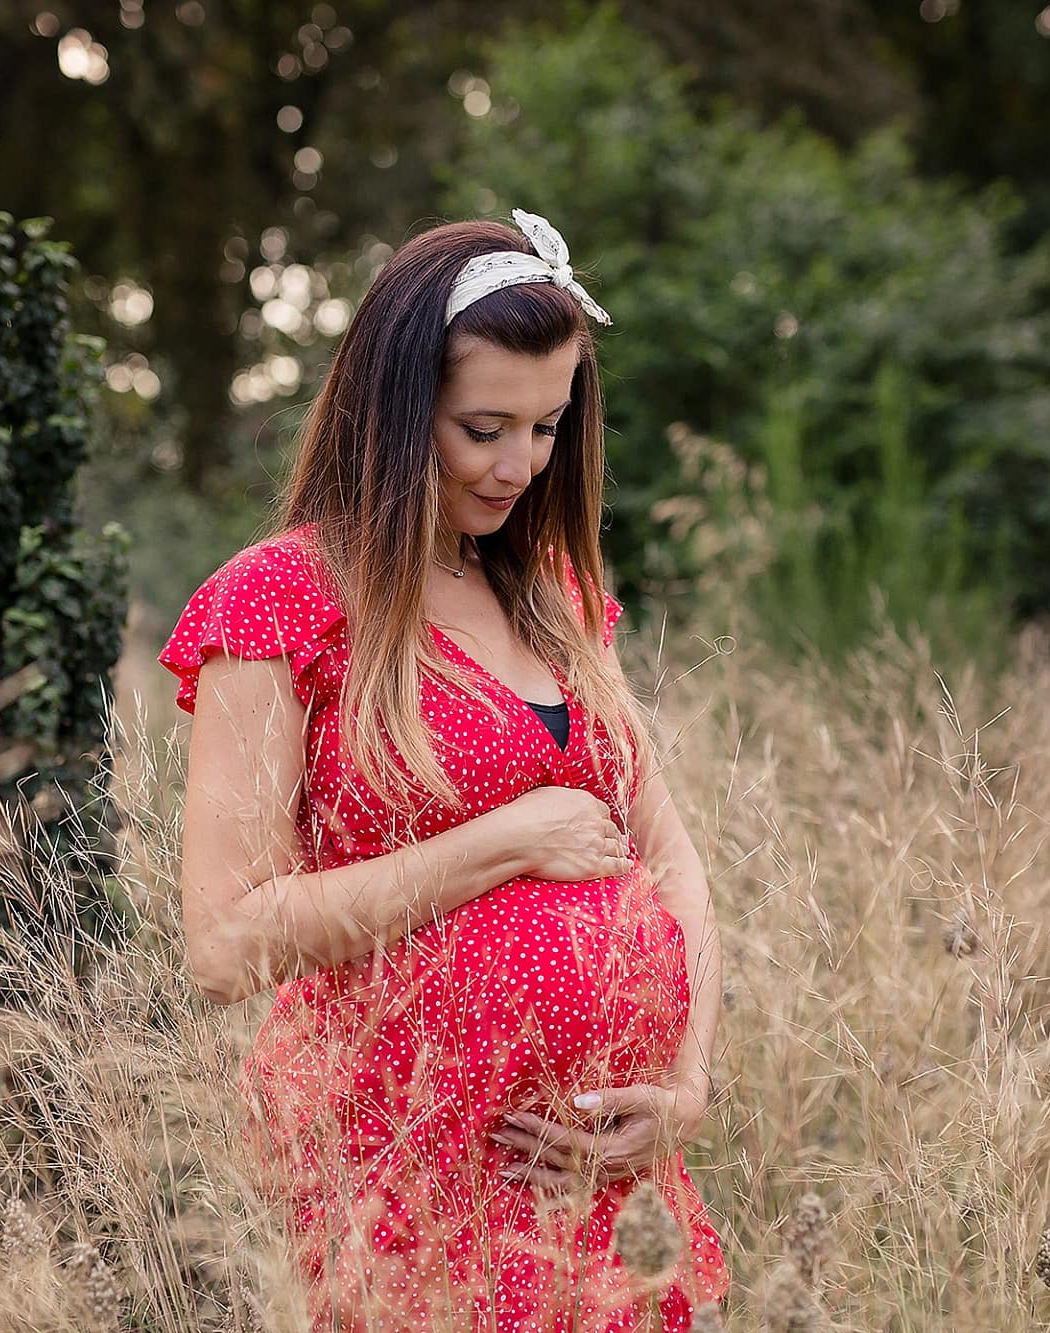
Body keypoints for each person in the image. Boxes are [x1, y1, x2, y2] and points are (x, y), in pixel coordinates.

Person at [157, 209, 729, 1331]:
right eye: (483, 427)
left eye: (547, 427)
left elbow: (671, 861)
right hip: (406, 1172)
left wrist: (686, 1088)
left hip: (608, 1183)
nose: (519, 464)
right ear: (397, 407)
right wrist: (503, 842)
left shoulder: (555, 596)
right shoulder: (278, 600)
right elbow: (225, 944)